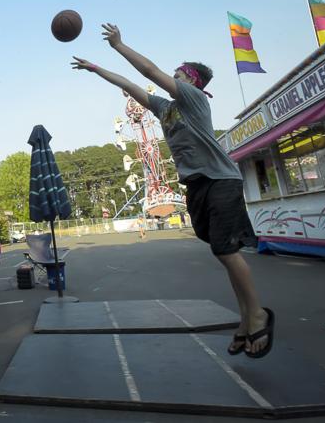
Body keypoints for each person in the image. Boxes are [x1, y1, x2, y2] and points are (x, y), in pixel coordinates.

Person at [72, 23, 274, 359]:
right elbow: (132, 85)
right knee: (222, 253)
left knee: (226, 251)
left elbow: (149, 70)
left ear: (191, 80)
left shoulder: (193, 99)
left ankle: (257, 315)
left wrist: (118, 46)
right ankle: (245, 317)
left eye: (178, 73)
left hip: (220, 180)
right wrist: (96, 69)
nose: (172, 76)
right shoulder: (165, 109)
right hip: (196, 185)